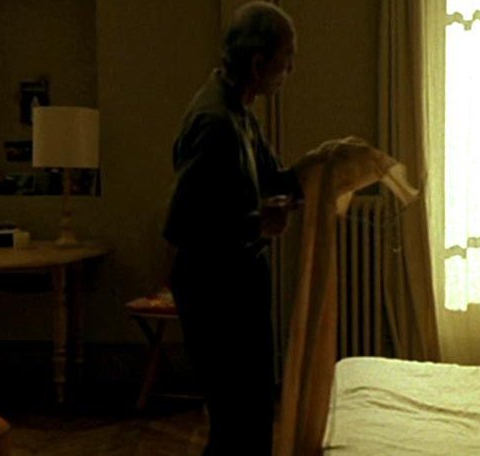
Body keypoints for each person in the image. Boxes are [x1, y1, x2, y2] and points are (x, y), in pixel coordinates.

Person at [162, 3, 301, 454]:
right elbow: (184, 226)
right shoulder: (216, 123)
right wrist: (260, 222)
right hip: (215, 293)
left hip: (236, 283)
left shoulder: (239, 110)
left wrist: (328, 167)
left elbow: (274, 178)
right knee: (237, 419)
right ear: (259, 64)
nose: (290, 71)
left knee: (251, 414)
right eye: (286, 59)